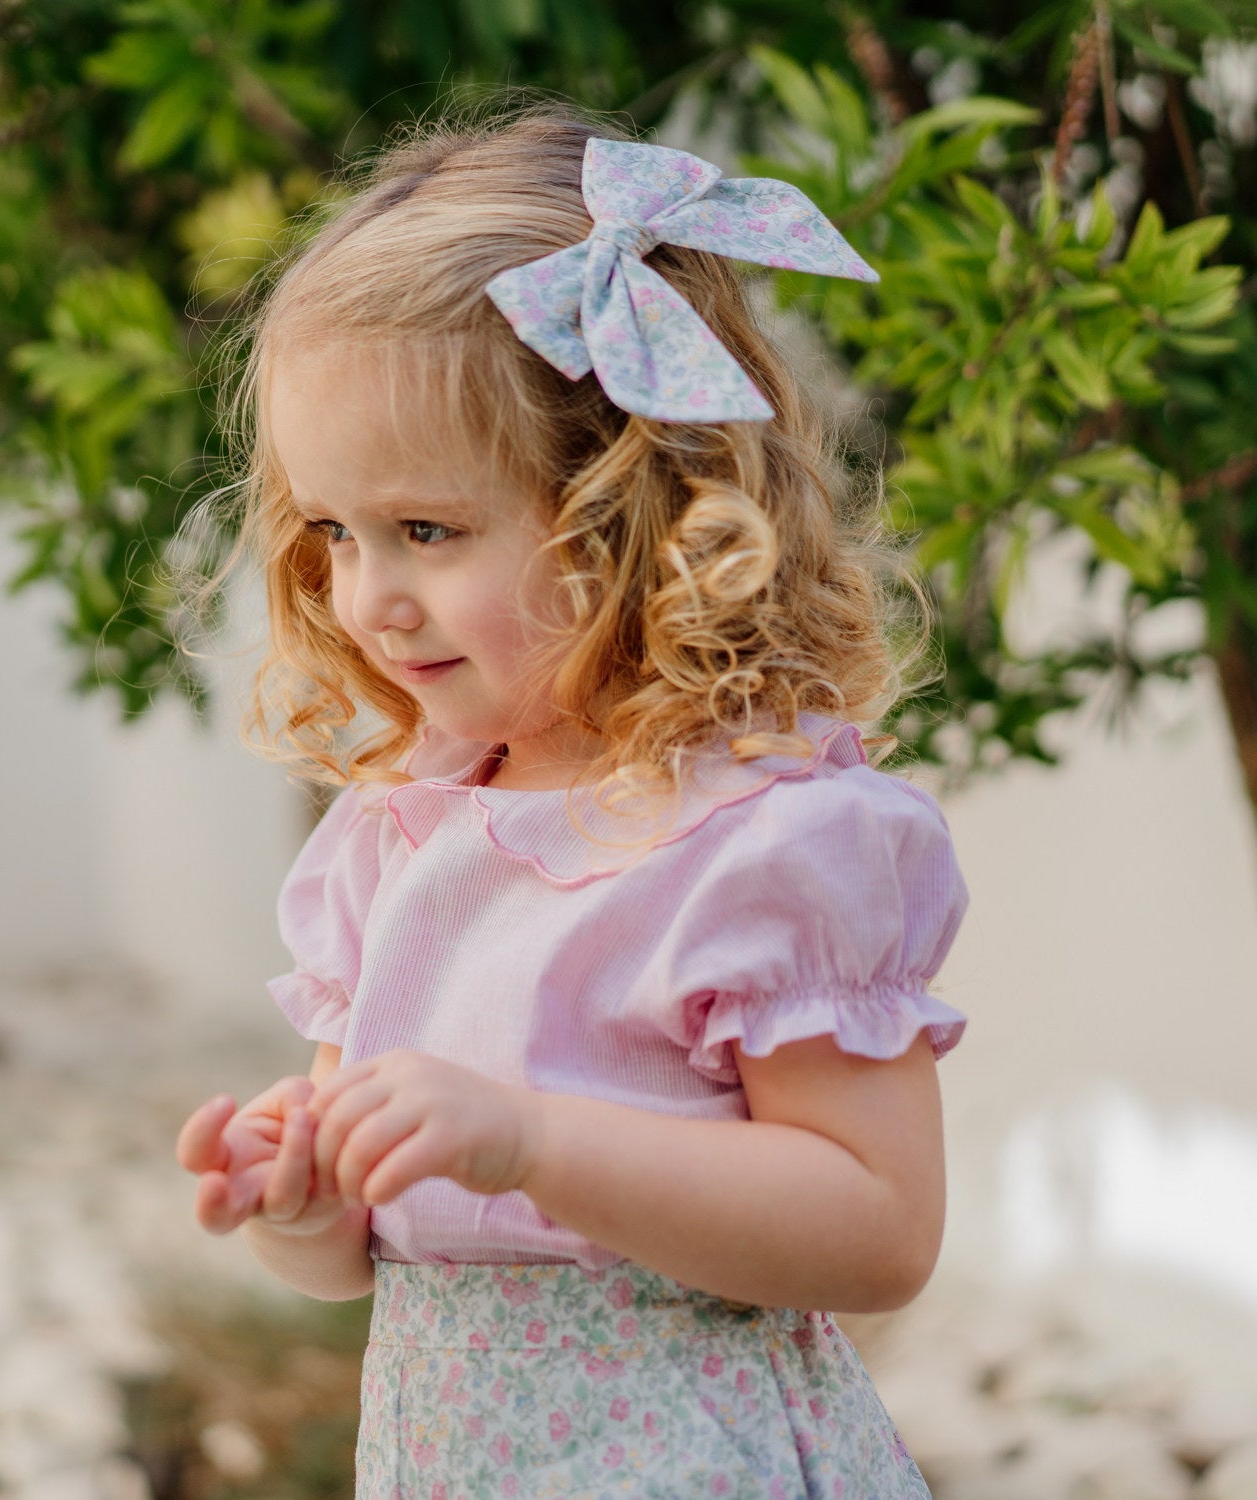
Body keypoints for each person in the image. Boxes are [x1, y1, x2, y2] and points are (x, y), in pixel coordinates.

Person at [175, 99, 971, 1498]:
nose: (368, 597)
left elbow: (878, 1228)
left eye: (426, 529)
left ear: (634, 513)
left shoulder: (763, 844)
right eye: (334, 531)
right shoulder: (398, 839)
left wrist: (534, 1141)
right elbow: (360, 1261)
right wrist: (299, 1199)